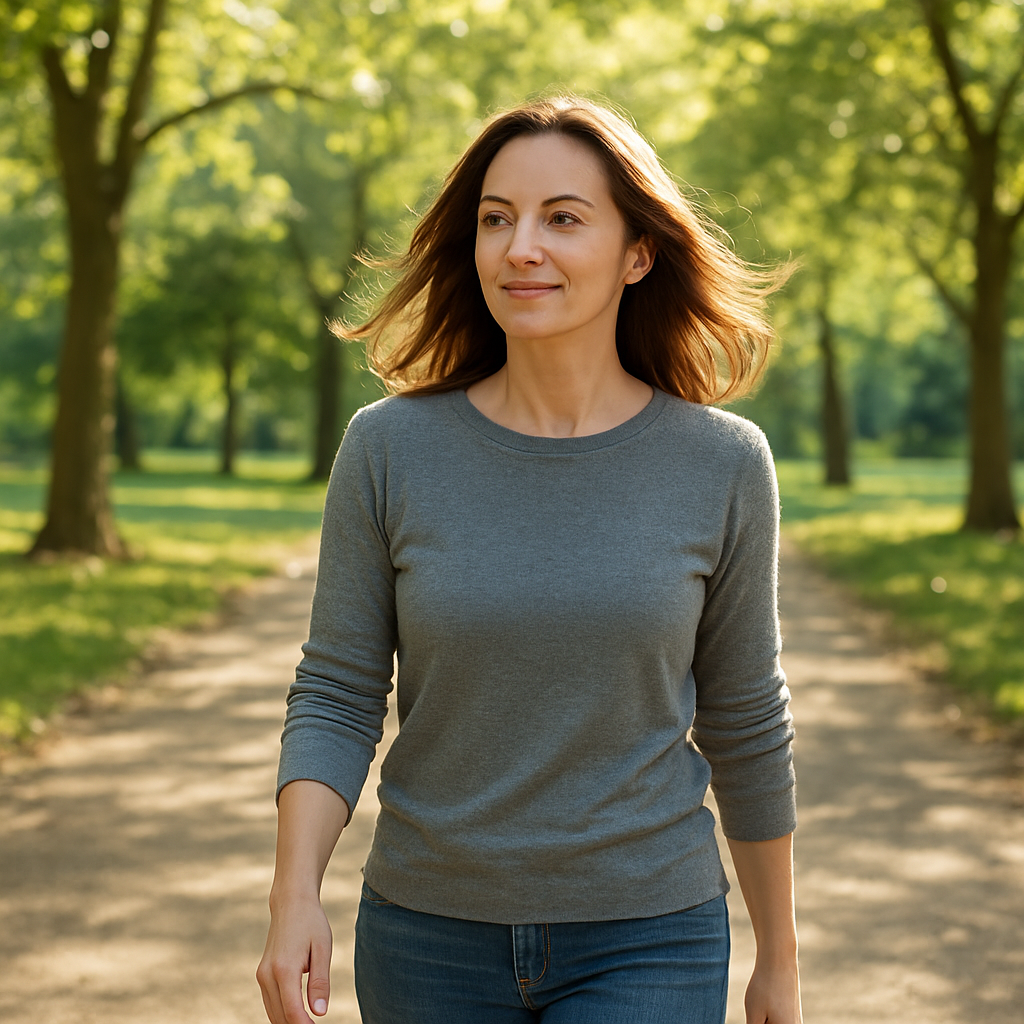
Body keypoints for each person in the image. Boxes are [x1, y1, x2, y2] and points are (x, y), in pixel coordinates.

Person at [257, 96, 800, 1024]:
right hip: (426, 935)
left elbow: (746, 719)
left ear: (638, 254)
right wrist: (293, 894)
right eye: (497, 219)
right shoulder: (389, 450)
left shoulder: (722, 463)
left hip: (649, 933)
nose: (522, 248)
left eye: (564, 218)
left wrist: (779, 961)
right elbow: (340, 689)